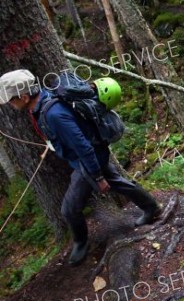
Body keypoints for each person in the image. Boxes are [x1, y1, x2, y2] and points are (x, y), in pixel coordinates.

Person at [0, 70, 161, 266]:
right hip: (93, 155)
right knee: (117, 181)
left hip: (88, 161)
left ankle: (81, 243)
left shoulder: (53, 114)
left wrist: (97, 176)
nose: (10, 104)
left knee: (69, 209)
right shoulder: (43, 103)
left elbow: (83, 146)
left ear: (24, 97)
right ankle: (151, 207)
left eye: (10, 100)